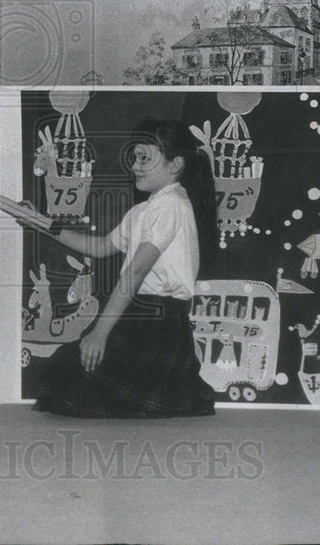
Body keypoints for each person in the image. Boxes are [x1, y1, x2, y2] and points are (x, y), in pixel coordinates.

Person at [20, 119, 218, 418]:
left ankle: (175, 389)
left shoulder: (171, 205)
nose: (136, 166)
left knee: (74, 380)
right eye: (135, 158)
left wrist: (100, 333)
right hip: (138, 318)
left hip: (158, 323)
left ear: (174, 164)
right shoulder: (145, 210)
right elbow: (100, 247)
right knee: (67, 368)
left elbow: (135, 273)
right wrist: (42, 223)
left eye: (145, 159)